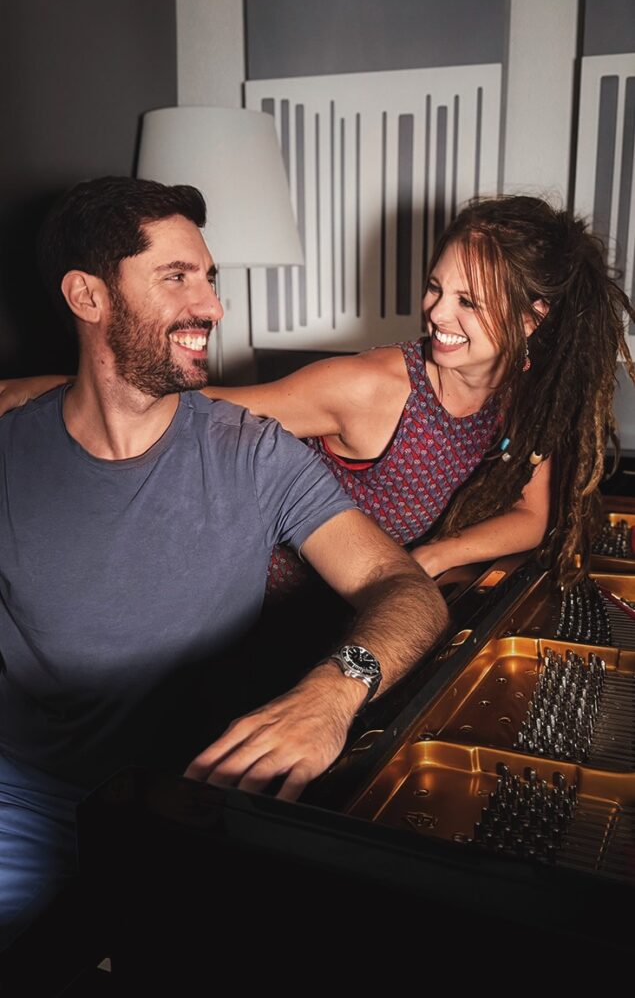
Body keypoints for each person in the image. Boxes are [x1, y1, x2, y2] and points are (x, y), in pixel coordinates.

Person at [0, 176, 449, 949]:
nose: (210, 305)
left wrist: (334, 690)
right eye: (176, 277)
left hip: (190, 807)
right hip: (23, 803)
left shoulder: (255, 454)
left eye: (209, 278)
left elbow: (403, 587)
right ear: (87, 296)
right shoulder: (12, 453)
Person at [8, 196, 633, 588]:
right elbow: (203, 409)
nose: (438, 313)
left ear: (532, 318)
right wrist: (59, 389)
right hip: (270, 603)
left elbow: (531, 515)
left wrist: (435, 557)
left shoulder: (531, 392)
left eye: (468, 301)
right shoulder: (368, 387)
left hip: (374, 597)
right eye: (436, 287)